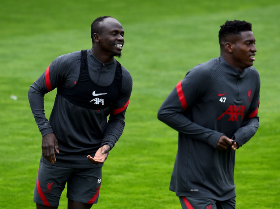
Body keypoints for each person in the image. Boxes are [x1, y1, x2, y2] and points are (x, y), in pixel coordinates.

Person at [28, 16, 132, 209]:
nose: (121, 38)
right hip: (56, 156)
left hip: (90, 161)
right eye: (114, 33)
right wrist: (46, 132)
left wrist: (107, 146)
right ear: (96, 37)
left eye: (122, 34)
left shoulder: (123, 78)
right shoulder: (68, 64)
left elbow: (118, 119)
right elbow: (35, 90)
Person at [157, 20, 260, 209]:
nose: (254, 49)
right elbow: (166, 112)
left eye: (254, 43)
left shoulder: (253, 77)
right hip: (195, 182)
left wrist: (241, 137)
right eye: (248, 43)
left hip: (225, 183)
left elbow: (253, 118)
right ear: (229, 46)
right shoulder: (203, 74)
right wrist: (211, 136)